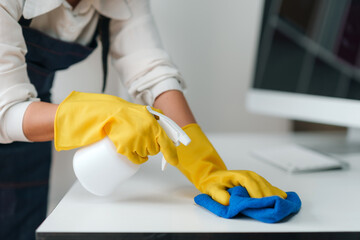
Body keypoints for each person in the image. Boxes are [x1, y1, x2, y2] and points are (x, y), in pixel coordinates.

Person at [0, 0, 287, 239]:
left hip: (34, 127)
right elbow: (6, 110)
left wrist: (203, 162)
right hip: (23, 116)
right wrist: (92, 115)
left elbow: (150, 70)